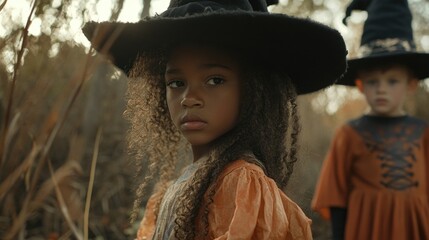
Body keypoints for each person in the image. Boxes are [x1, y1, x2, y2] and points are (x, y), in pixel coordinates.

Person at [82, 0, 347, 239]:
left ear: (254, 91)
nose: (189, 97)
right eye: (176, 82)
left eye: (214, 80)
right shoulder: (182, 185)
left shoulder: (242, 185)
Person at [311, 0, 429, 239]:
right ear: (361, 85)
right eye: (373, 82)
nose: (382, 89)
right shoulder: (350, 134)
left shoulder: (423, 133)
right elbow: (335, 198)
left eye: (392, 81)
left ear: (411, 84)